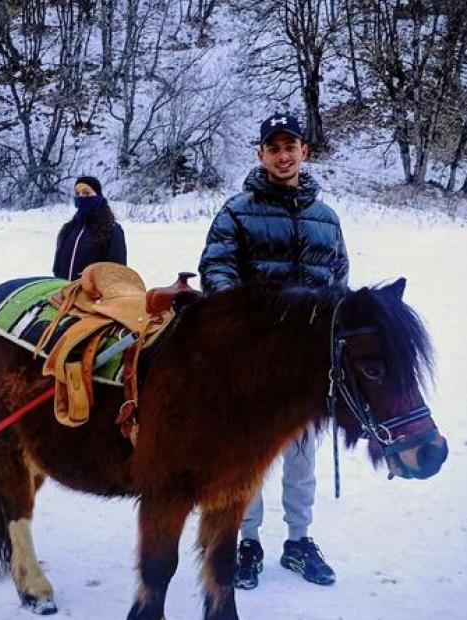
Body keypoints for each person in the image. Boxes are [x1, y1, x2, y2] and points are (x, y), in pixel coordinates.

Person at [198, 113, 349, 590]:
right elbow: (216, 269)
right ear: (261, 154)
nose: (283, 156)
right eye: (274, 148)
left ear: (305, 151)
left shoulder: (327, 219)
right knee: (249, 457)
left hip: (306, 364)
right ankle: (247, 541)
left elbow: (338, 282)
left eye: (291, 147)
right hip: (254, 360)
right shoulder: (237, 211)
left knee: (301, 455)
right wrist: (245, 321)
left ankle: (299, 541)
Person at [52, 175, 127, 281]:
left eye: (86, 193)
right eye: (78, 193)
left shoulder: (112, 230)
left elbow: (116, 272)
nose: (81, 197)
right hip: (65, 290)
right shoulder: (68, 229)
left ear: (98, 196)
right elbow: (57, 267)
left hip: (92, 291)